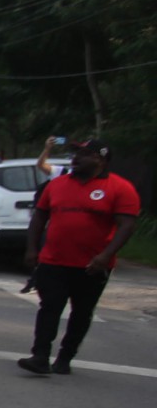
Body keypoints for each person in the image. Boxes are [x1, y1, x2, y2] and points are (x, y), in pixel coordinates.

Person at [19, 139, 140, 375]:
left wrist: (106, 255)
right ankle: (40, 356)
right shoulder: (57, 185)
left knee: (82, 312)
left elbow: (127, 225)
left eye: (83, 154)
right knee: (49, 308)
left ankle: (65, 357)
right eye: (75, 154)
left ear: (100, 159)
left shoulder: (120, 188)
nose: (75, 159)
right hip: (53, 260)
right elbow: (39, 218)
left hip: (92, 265)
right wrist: (32, 249)